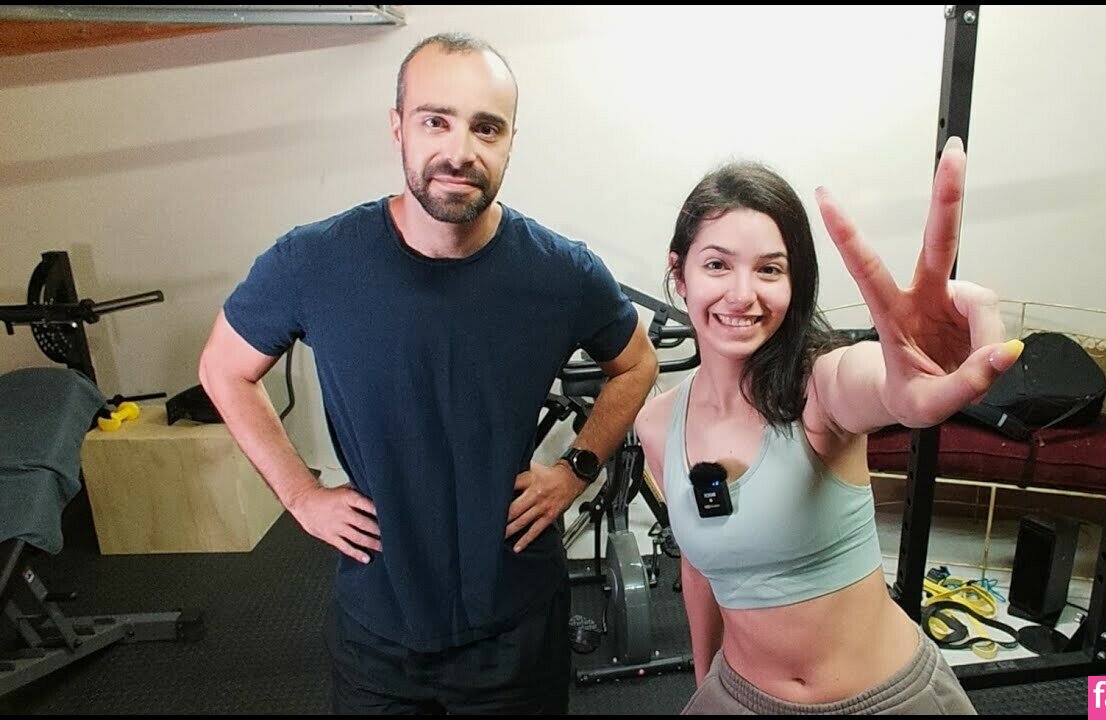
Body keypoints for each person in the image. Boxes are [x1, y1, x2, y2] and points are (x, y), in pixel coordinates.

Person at [198, 33, 657, 714]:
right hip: (379, 622)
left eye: (486, 128)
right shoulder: (313, 262)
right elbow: (223, 369)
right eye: (435, 121)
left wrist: (576, 469)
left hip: (515, 619)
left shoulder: (561, 272)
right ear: (398, 129)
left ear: (510, 142)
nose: (460, 150)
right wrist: (299, 494)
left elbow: (637, 363)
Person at [633, 138, 1021, 715]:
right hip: (740, 695)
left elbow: (873, 383)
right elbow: (698, 565)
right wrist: (704, 680)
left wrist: (906, 384)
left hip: (885, 700)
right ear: (680, 274)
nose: (742, 294)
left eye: (769, 269)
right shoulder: (659, 424)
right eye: (717, 265)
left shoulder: (819, 386)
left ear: (795, 283)